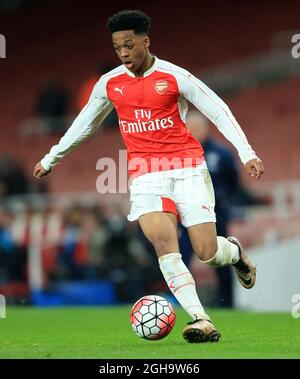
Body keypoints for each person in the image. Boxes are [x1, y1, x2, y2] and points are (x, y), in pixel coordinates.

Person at [33, 10, 264, 343]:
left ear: (146, 41)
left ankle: (235, 253)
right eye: (117, 48)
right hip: (145, 175)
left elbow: (216, 108)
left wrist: (246, 152)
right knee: (163, 244)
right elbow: (86, 123)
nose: (124, 54)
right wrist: (52, 157)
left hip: (187, 168)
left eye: (129, 45)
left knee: (206, 252)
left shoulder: (173, 76)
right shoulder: (110, 84)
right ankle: (201, 319)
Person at [183, 110, 240, 308]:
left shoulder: (221, 153)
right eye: (189, 128)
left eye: (197, 128)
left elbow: (234, 183)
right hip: (186, 217)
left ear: (205, 129)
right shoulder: (179, 155)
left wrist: (222, 202)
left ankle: (227, 304)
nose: (193, 132)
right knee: (181, 260)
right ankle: (186, 304)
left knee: (221, 262)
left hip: (217, 217)